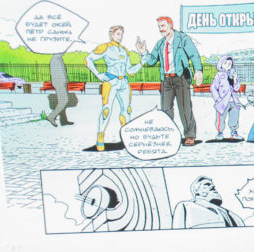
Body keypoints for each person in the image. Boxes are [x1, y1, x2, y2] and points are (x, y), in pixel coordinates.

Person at [135, 17, 203, 146]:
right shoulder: (160, 43)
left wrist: (198, 70)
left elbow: (194, 54)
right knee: (166, 109)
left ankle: (190, 135)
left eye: (163, 26)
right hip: (166, 79)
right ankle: (169, 134)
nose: (161, 29)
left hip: (181, 77)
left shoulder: (182, 38)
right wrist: (143, 52)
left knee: (185, 108)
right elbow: (152, 61)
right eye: (159, 26)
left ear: (170, 25)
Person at [86, 25, 141, 151]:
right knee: (106, 110)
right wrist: (99, 75)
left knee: (126, 110)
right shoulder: (105, 47)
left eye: (122, 34)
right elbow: (88, 60)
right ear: (112, 35)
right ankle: (100, 137)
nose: (120, 37)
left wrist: (142, 62)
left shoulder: (125, 50)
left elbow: (130, 70)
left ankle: (126, 137)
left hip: (124, 82)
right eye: (118, 34)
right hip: (111, 81)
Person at [171, 176, 244, 228]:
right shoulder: (186, 206)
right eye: (207, 184)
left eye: (212, 185)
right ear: (197, 191)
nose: (213, 186)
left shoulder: (234, 216)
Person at [211, 55, 243, 139]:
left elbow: (236, 88)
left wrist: (235, 79)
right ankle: (220, 132)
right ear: (221, 64)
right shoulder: (219, 75)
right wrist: (217, 99)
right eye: (225, 63)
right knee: (221, 117)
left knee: (234, 117)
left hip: (233, 100)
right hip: (223, 101)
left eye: (230, 63)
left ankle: (234, 132)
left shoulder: (232, 74)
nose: (228, 65)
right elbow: (213, 87)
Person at [42, 53, 76, 127]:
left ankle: (63, 120)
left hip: (62, 82)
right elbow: (57, 73)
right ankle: (51, 116)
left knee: (63, 102)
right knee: (64, 101)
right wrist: (62, 81)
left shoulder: (58, 59)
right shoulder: (56, 60)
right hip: (60, 82)